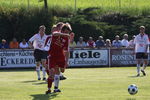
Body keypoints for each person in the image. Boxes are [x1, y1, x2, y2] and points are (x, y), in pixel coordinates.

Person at [45, 24, 71, 94]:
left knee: (62, 71)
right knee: (52, 72)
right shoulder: (56, 34)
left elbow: (67, 51)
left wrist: (66, 61)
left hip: (61, 57)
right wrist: (65, 35)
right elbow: (54, 33)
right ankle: (49, 89)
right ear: (62, 30)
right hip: (52, 56)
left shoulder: (66, 39)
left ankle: (55, 88)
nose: (67, 33)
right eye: (66, 32)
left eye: (68, 32)